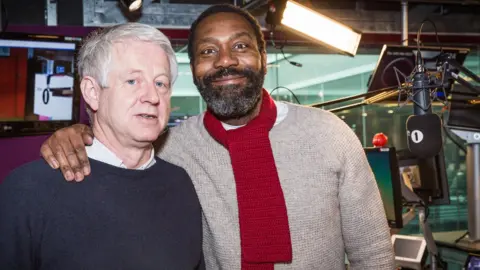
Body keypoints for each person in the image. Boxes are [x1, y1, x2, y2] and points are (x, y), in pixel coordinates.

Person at [39, 4, 395, 270]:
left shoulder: (330, 134)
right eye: (208, 51)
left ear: (263, 57)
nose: (225, 61)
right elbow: (120, 148)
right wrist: (80, 134)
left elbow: (373, 255)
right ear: (193, 70)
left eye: (240, 46)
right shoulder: (172, 148)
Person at [0, 23, 204, 270]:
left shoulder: (180, 183)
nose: (152, 96)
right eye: (132, 81)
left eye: (160, 83)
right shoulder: (28, 190)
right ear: (92, 92)